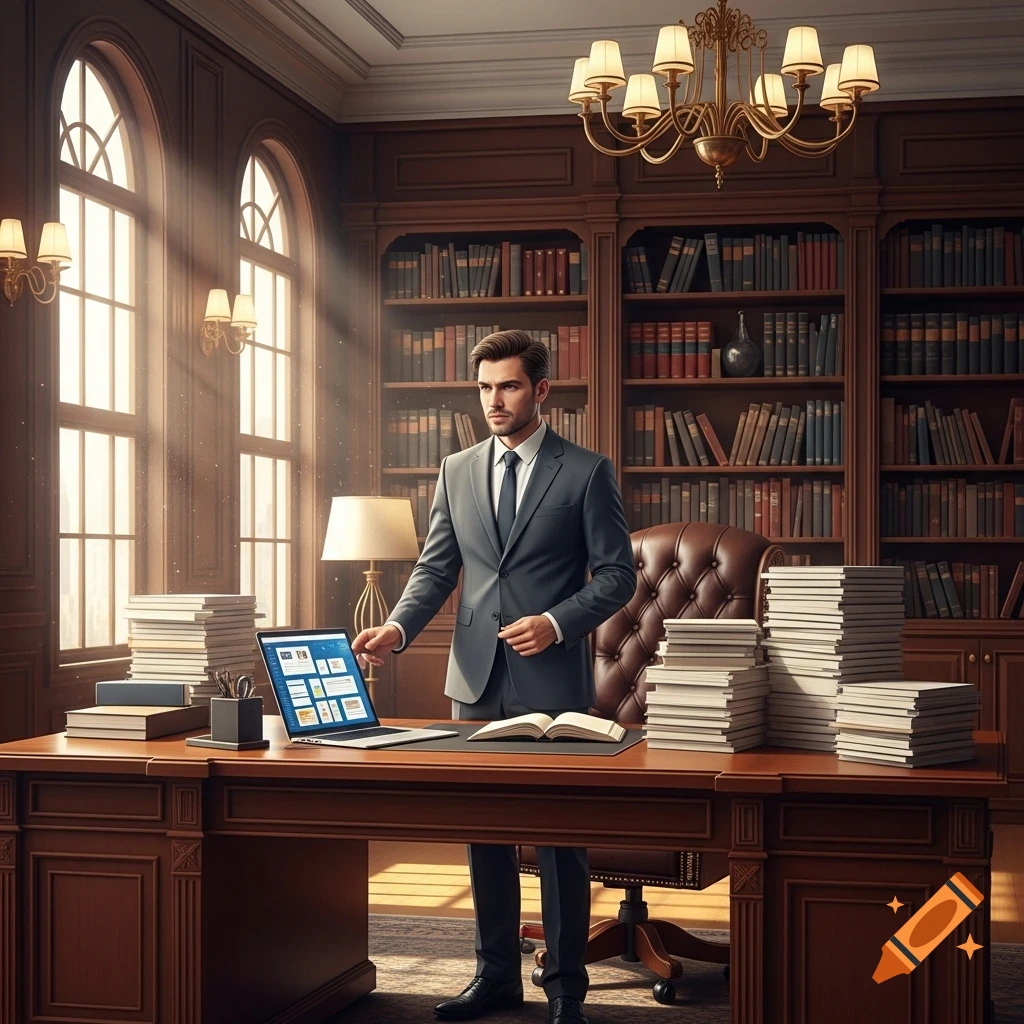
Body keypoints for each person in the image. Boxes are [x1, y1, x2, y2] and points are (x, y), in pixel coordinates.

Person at [351, 329, 635, 1024]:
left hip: (553, 682)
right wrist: (397, 627)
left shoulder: (587, 472)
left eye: (508, 386)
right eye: (484, 388)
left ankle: (567, 988)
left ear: (541, 391)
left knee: (559, 840)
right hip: (472, 680)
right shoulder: (455, 469)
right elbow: (437, 567)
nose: (494, 400)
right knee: (483, 832)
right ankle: (495, 977)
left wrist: (559, 621)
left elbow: (620, 575)